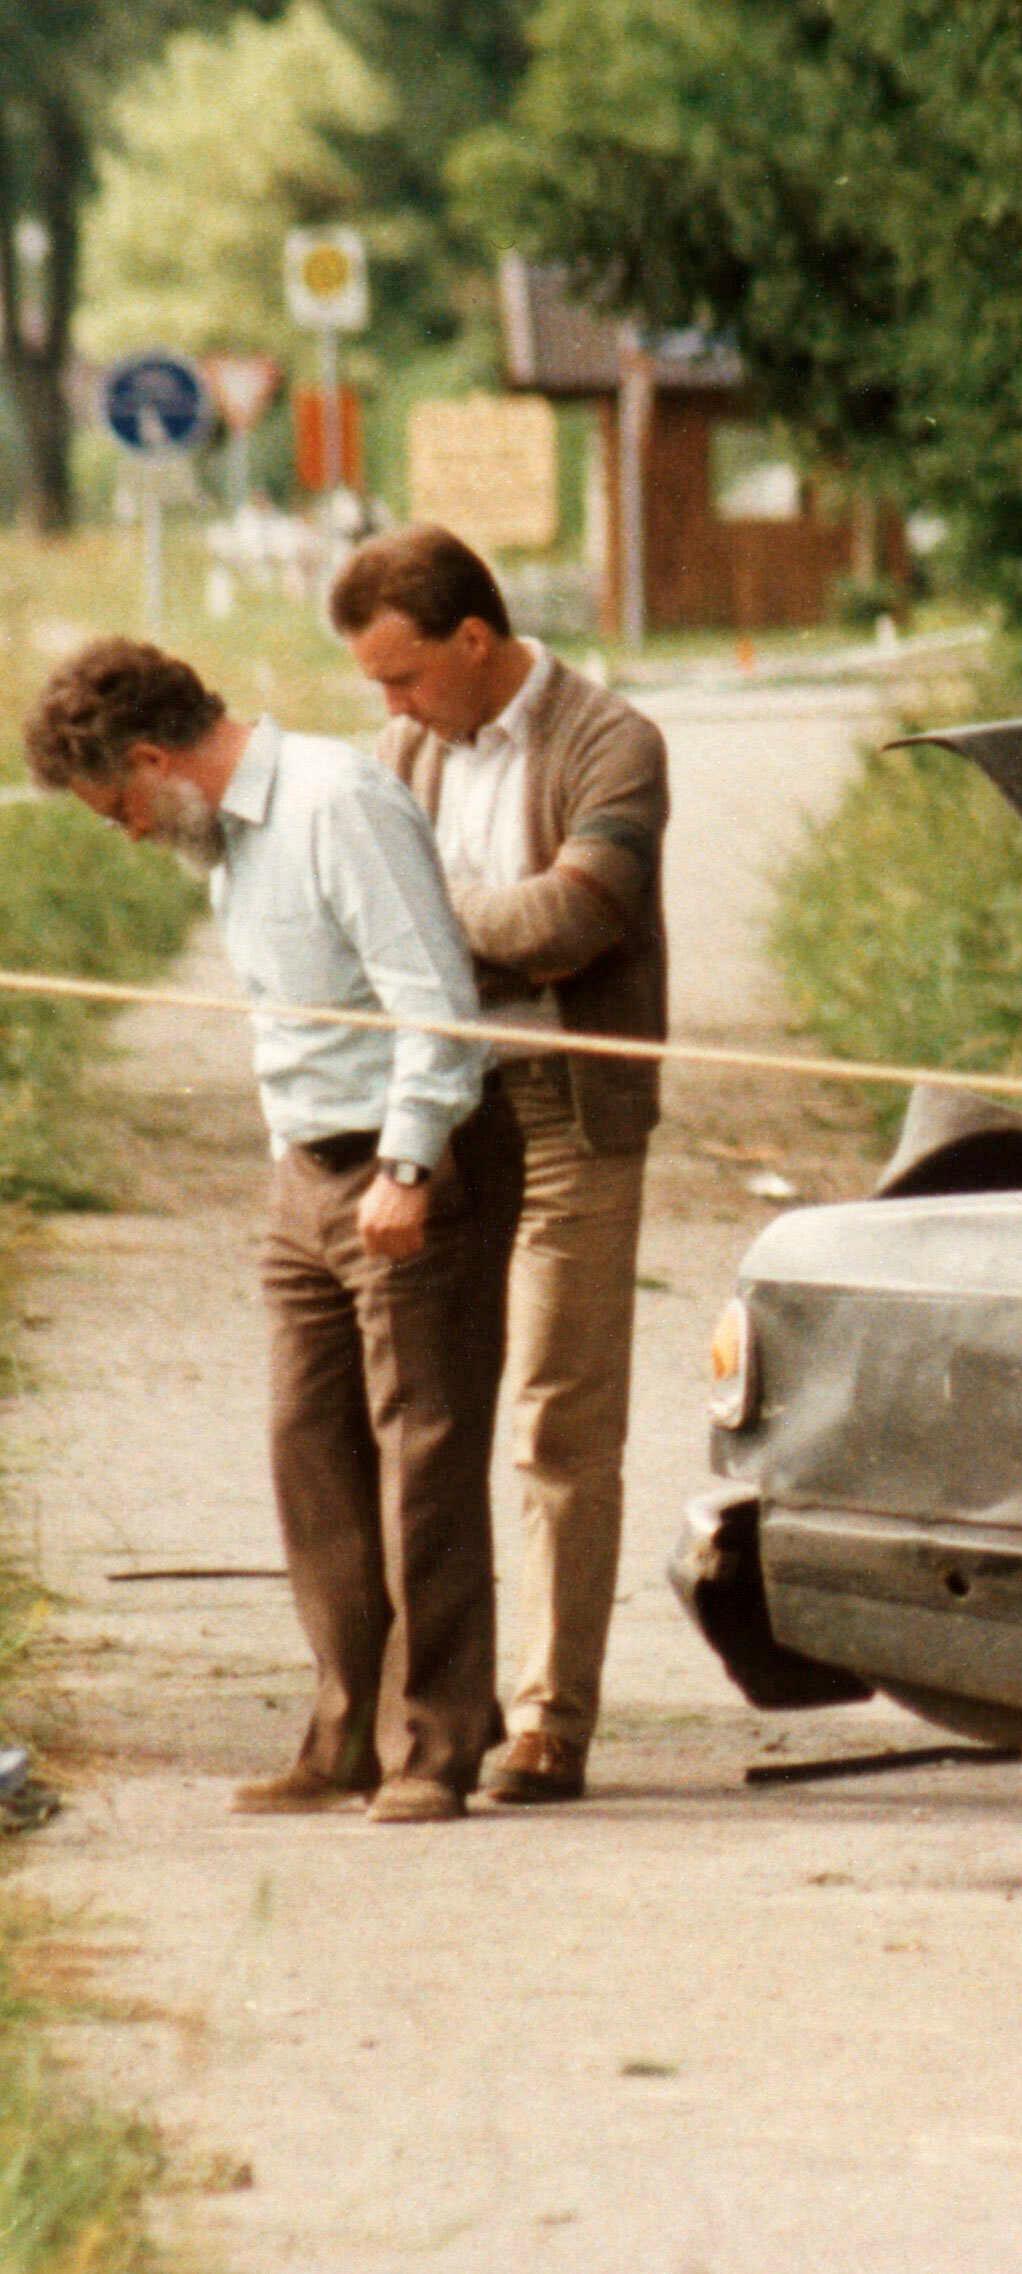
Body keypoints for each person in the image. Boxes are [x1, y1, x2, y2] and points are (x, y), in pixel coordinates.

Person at [23, 639, 518, 1824]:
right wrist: (291, 1165)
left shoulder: (338, 803)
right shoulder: (228, 844)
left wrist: (408, 1166)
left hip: (408, 1164)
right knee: (309, 1447)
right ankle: (345, 1735)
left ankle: (435, 1746)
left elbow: (434, 999)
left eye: (119, 810)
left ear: (154, 760)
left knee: (423, 1458)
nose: (129, 835)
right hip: (306, 1175)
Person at [330, 527, 670, 1807]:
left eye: (403, 676)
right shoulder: (401, 752)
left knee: (557, 1414)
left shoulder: (614, 741)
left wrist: (418, 917)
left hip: (572, 1107)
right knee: (430, 1409)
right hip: (442, 1104)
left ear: (474, 640)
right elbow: (394, 927)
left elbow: (573, 920)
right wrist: (456, 926)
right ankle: (434, 1714)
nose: (391, 705)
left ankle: (550, 1718)